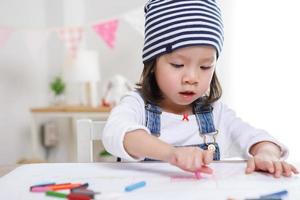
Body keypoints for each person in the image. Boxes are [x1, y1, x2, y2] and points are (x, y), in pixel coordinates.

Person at [102, 0, 298, 177]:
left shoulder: (217, 113)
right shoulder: (136, 104)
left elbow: (258, 138)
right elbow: (117, 133)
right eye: (178, 65)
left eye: (205, 67)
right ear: (153, 65)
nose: (192, 78)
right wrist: (171, 153)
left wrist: (266, 153)